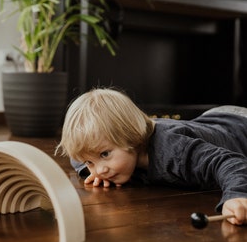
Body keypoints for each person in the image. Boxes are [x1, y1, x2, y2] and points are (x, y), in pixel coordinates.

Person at [55, 88, 247, 226]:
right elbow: (77, 158)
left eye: (105, 154)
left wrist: (238, 195)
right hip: (211, 120)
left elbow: (229, 163)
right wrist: (90, 166)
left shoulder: (174, 151)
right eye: (91, 162)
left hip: (239, 125)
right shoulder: (104, 154)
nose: (100, 170)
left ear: (134, 137)